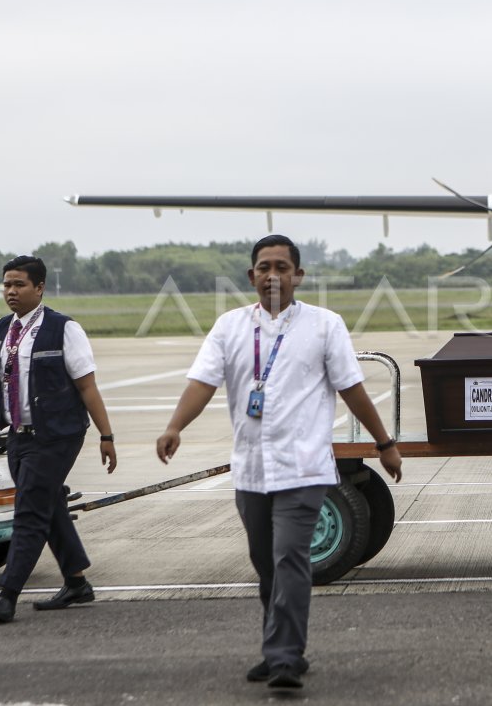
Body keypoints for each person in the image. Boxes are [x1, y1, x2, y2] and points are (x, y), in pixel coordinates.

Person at [155, 234, 402, 690]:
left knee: (291, 558)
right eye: (264, 267)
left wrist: (383, 442)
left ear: (298, 275)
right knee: (266, 564)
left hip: (304, 467)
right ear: (251, 276)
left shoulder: (325, 325)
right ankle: (282, 645)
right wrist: (175, 426)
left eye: (282, 267)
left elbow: (352, 388)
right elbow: (201, 383)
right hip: (250, 470)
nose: (273, 275)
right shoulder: (229, 328)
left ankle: (284, 657)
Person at [0, 255, 117, 623]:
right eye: (6, 284)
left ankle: (7, 594)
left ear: (39, 287)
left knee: (31, 511)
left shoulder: (64, 329)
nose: (11, 292)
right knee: (47, 504)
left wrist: (106, 435)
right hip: (19, 436)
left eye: (19, 285)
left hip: (58, 436)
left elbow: (87, 386)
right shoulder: (2, 329)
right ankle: (77, 582)